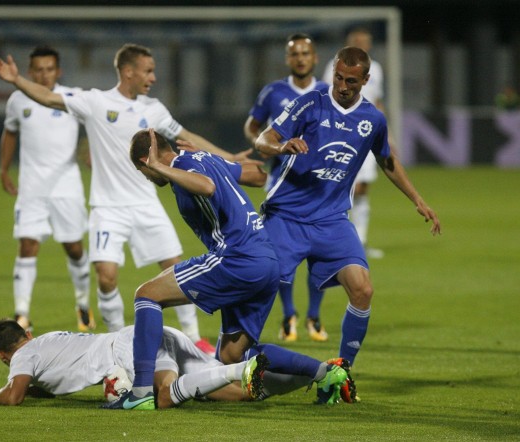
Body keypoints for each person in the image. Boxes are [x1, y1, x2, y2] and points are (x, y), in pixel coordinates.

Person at [0, 43, 255, 354]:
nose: (153, 77)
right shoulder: (95, 102)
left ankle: (194, 336)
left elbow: (188, 137)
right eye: (148, 71)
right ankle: (117, 344)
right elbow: (49, 97)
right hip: (107, 207)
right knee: (106, 278)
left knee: (176, 266)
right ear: (128, 72)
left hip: (146, 202)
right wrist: (17, 80)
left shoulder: (153, 109)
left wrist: (230, 157)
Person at [102, 128, 354, 411]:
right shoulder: (201, 159)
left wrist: (164, 166)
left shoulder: (180, 165)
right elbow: (258, 176)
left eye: (143, 170)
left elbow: (207, 186)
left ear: (146, 160)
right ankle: (327, 372)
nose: (147, 177)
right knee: (232, 355)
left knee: (147, 294)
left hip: (237, 258)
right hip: (266, 260)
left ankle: (140, 394)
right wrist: (216, 159)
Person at [256, 46, 441, 371]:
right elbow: (263, 139)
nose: (342, 86)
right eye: (338, 78)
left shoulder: (372, 119)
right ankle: (230, 362)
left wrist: (418, 199)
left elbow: (387, 160)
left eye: (351, 81)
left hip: (331, 221)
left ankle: (341, 372)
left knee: (362, 289)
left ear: (365, 80)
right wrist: (282, 145)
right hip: (286, 217)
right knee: (257, 289)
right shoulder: (311, 103)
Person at [0, 318, 330, 409]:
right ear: (26, 332)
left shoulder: (22, 356)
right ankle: (321, 374)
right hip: (147, 332)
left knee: (165, 397)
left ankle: (238, 369)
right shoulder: (46, 341)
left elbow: (15, 396)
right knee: (239, 395)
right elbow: (42, 388)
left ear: (3, 354)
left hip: (128, 348)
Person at [0, 45, 93, 333]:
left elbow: (94, 126)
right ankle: (22, 313)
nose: (43, 74)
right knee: (27, 245)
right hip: (32, 187)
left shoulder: (71, 97)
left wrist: (89, 151)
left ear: (58, 71)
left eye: (49, 69)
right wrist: (3, 169)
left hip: (66, 186)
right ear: (29, 72)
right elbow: (10, 133)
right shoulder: (17, 100)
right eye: (38, 69)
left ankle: (82, 304)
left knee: (74, 248)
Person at [244, 33, 329, 343]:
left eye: (306, 53)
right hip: (283, 186)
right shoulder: (274, 92)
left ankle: (315, 315)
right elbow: (253, 126)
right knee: (282, 258)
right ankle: (289, 314)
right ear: (288, 59)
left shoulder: (328, 92)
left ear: (315, 57)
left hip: (321, 187)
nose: (301, 58)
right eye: (295, 54)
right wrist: (262, 145)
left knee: (320, 257)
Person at [323, 27, 387, 259]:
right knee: (346, 187)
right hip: (341, 135)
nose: (362, 44)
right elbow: (325, 97)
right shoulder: (335, 64)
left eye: (365, 41)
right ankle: (339, 238)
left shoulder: (375, 69)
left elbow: (378, 101)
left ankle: (359, 241)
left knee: (362, 189)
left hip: (367, 133)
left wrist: (387, 134)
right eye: (357, 41)